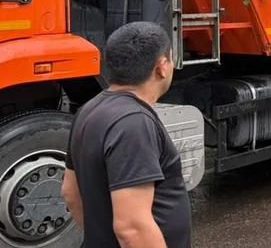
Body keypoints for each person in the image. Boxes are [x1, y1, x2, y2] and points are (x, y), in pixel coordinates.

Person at [61, 21, 191, 248]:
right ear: (161, 66)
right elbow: (132, 228)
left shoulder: (89, 110)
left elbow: (71, 193)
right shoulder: (134, 123)